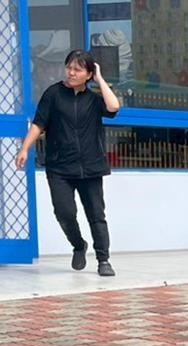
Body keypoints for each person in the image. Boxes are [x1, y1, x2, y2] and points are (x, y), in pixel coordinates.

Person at [16, 50, 121, 277]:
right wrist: (25, 148)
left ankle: (103, 259)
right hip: (60, 167)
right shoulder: (53, 94)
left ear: (88, 74)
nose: (71, 73)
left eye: (78, 69)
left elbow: (113, 107)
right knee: (64, 212)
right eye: (69, 68)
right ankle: (78, 245)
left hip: (91, 167)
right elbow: (39, 124)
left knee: (96, 215)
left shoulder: (94, 100)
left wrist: (100, 79)